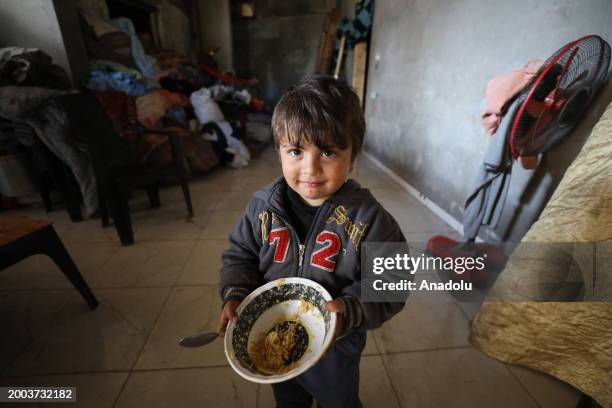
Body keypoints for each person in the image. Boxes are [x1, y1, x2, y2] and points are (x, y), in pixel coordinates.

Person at [217, 75, 406, 407]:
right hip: (273, 333)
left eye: (329, 152)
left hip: (335, 343)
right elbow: (240, 255)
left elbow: (393, 279)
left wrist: (351, 308)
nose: (310, 168)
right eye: (295, 150)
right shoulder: (263, 208)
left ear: (353, 155)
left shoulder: (369, 219)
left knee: (338, 400)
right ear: (278, 150)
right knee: (289, 400)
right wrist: (236, 293)